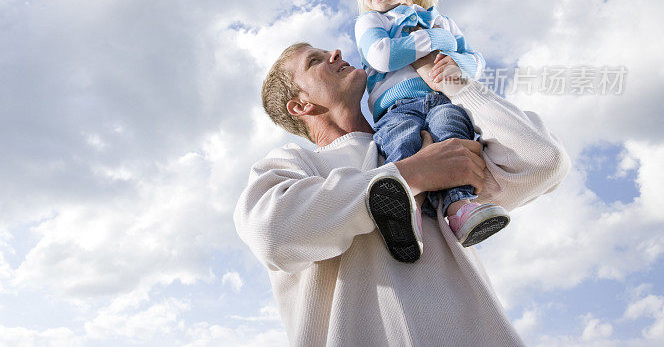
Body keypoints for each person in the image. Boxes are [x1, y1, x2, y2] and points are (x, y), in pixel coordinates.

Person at [233, 42, 569, 346]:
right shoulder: (295, 164)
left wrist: (454, 83)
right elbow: (271, 233)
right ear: (300, 105)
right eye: (315, 61)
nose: (335, 53)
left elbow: (542, 159)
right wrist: (413, 175)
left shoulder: (434, 141)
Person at [353, 0, 509, 256]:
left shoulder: (442, 21)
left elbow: (475, 61)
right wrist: (433, 41)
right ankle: (406, 211)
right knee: (402, 143)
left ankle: (461, 208)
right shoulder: (371, 21)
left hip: (442, 99)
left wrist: (455, 60)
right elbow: (382, 55)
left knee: (453, 134)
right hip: (396, 107)